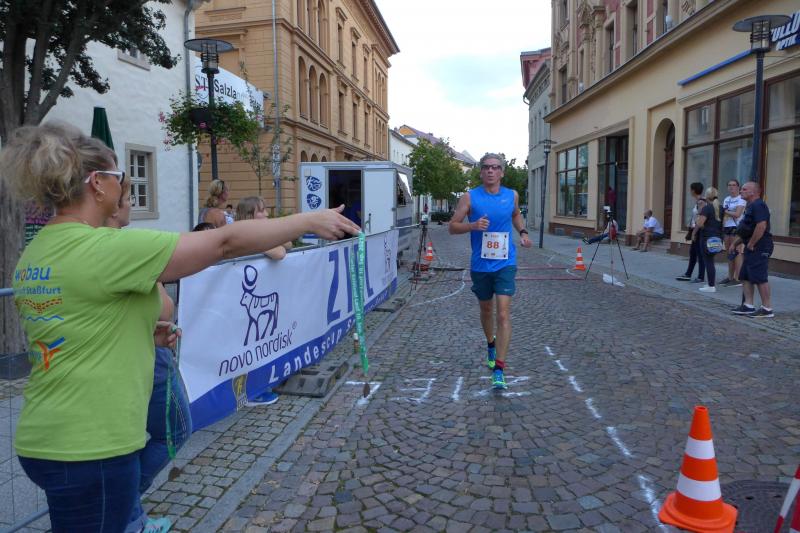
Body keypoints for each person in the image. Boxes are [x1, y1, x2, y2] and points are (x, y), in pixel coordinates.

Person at [2, 122, 360, 533]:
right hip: (91, 443)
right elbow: (224, 242)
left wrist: (143, 331)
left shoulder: (38, 250)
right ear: (98, 183)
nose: (124, 186)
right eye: (120, 176)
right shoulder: (103, 249)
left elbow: (78, 322)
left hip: (46, 434)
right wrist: (306, 220)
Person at [107, 192, 191, 533]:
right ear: (109, 204)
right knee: (174, 430)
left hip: (145, 351)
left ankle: (127, 512)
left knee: (132, 441)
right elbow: (222, 244)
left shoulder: (110, 244)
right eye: (127, 197)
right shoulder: (118, 248)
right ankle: (123, 508)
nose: (132, 203)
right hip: (146, 355)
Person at [448, 153, 532, 390]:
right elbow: (452, 227)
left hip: (506, 262)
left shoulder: (511, 195)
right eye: (486, 167)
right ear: (481, 172)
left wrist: (523, 232)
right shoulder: (470, 197)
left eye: (495, 167)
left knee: (503, 314)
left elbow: (515, 214)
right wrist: (473, 225)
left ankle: (499, 369)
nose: (490, 171)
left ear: (502, 172)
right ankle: (490, 344)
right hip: (480, 264)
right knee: (486, 309)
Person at [235, 196, 292, 405]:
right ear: (249, 215)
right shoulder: (245, 236)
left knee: (259, 341)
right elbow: (279, 252)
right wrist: (271, 238)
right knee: (246, 345)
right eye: (262, 211)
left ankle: (257, 385)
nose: (267, 214)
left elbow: (288, 243)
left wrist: (271, 235)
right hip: (237, 300)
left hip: (255, 295)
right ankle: (248, 393)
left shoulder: (257, 235)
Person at [730, 181, 774, 317]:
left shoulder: (758, 205)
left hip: (760, 246)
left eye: (744, 189)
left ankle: (767, 308)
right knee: (746, 275)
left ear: (753, 192)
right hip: (751, 245)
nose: (741, 191)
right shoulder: (750, 206)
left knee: (760, 277)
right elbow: (747, 230)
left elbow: (761, 226)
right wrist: (734, 244)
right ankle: (748, 305)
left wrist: (751, 243)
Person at [693, 187, 723, 293]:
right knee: (711, 261)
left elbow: (700, 223)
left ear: (706, 196)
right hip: (718, 237)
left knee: (708, 262)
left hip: (707, 238)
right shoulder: (720, 208)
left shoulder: (707, 208)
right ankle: (710, 283)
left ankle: (711, 286)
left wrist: (698, 217)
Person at [676, 182, 706, 283]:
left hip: (698, 230)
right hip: (695, 229)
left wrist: (694, 232)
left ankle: (700, 276)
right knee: (693, 253)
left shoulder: (701, 202)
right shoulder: (698, 201)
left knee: (700, 253)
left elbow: (700, 218)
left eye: (691, 189)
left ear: (693, 190)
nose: (690, 191)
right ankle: (688, 274)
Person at [719, 179, 746, 287]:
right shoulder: (727, 199)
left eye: (734, 185)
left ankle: (738, 278)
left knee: (737, 252)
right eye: (729, 185)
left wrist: (725, 211)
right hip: (727, 227)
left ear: (738, 187)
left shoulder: (741, 199)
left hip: (737, 227)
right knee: (729, 253)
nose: (731, 187)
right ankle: (730, 277)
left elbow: (738, 214)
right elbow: (725, 216)